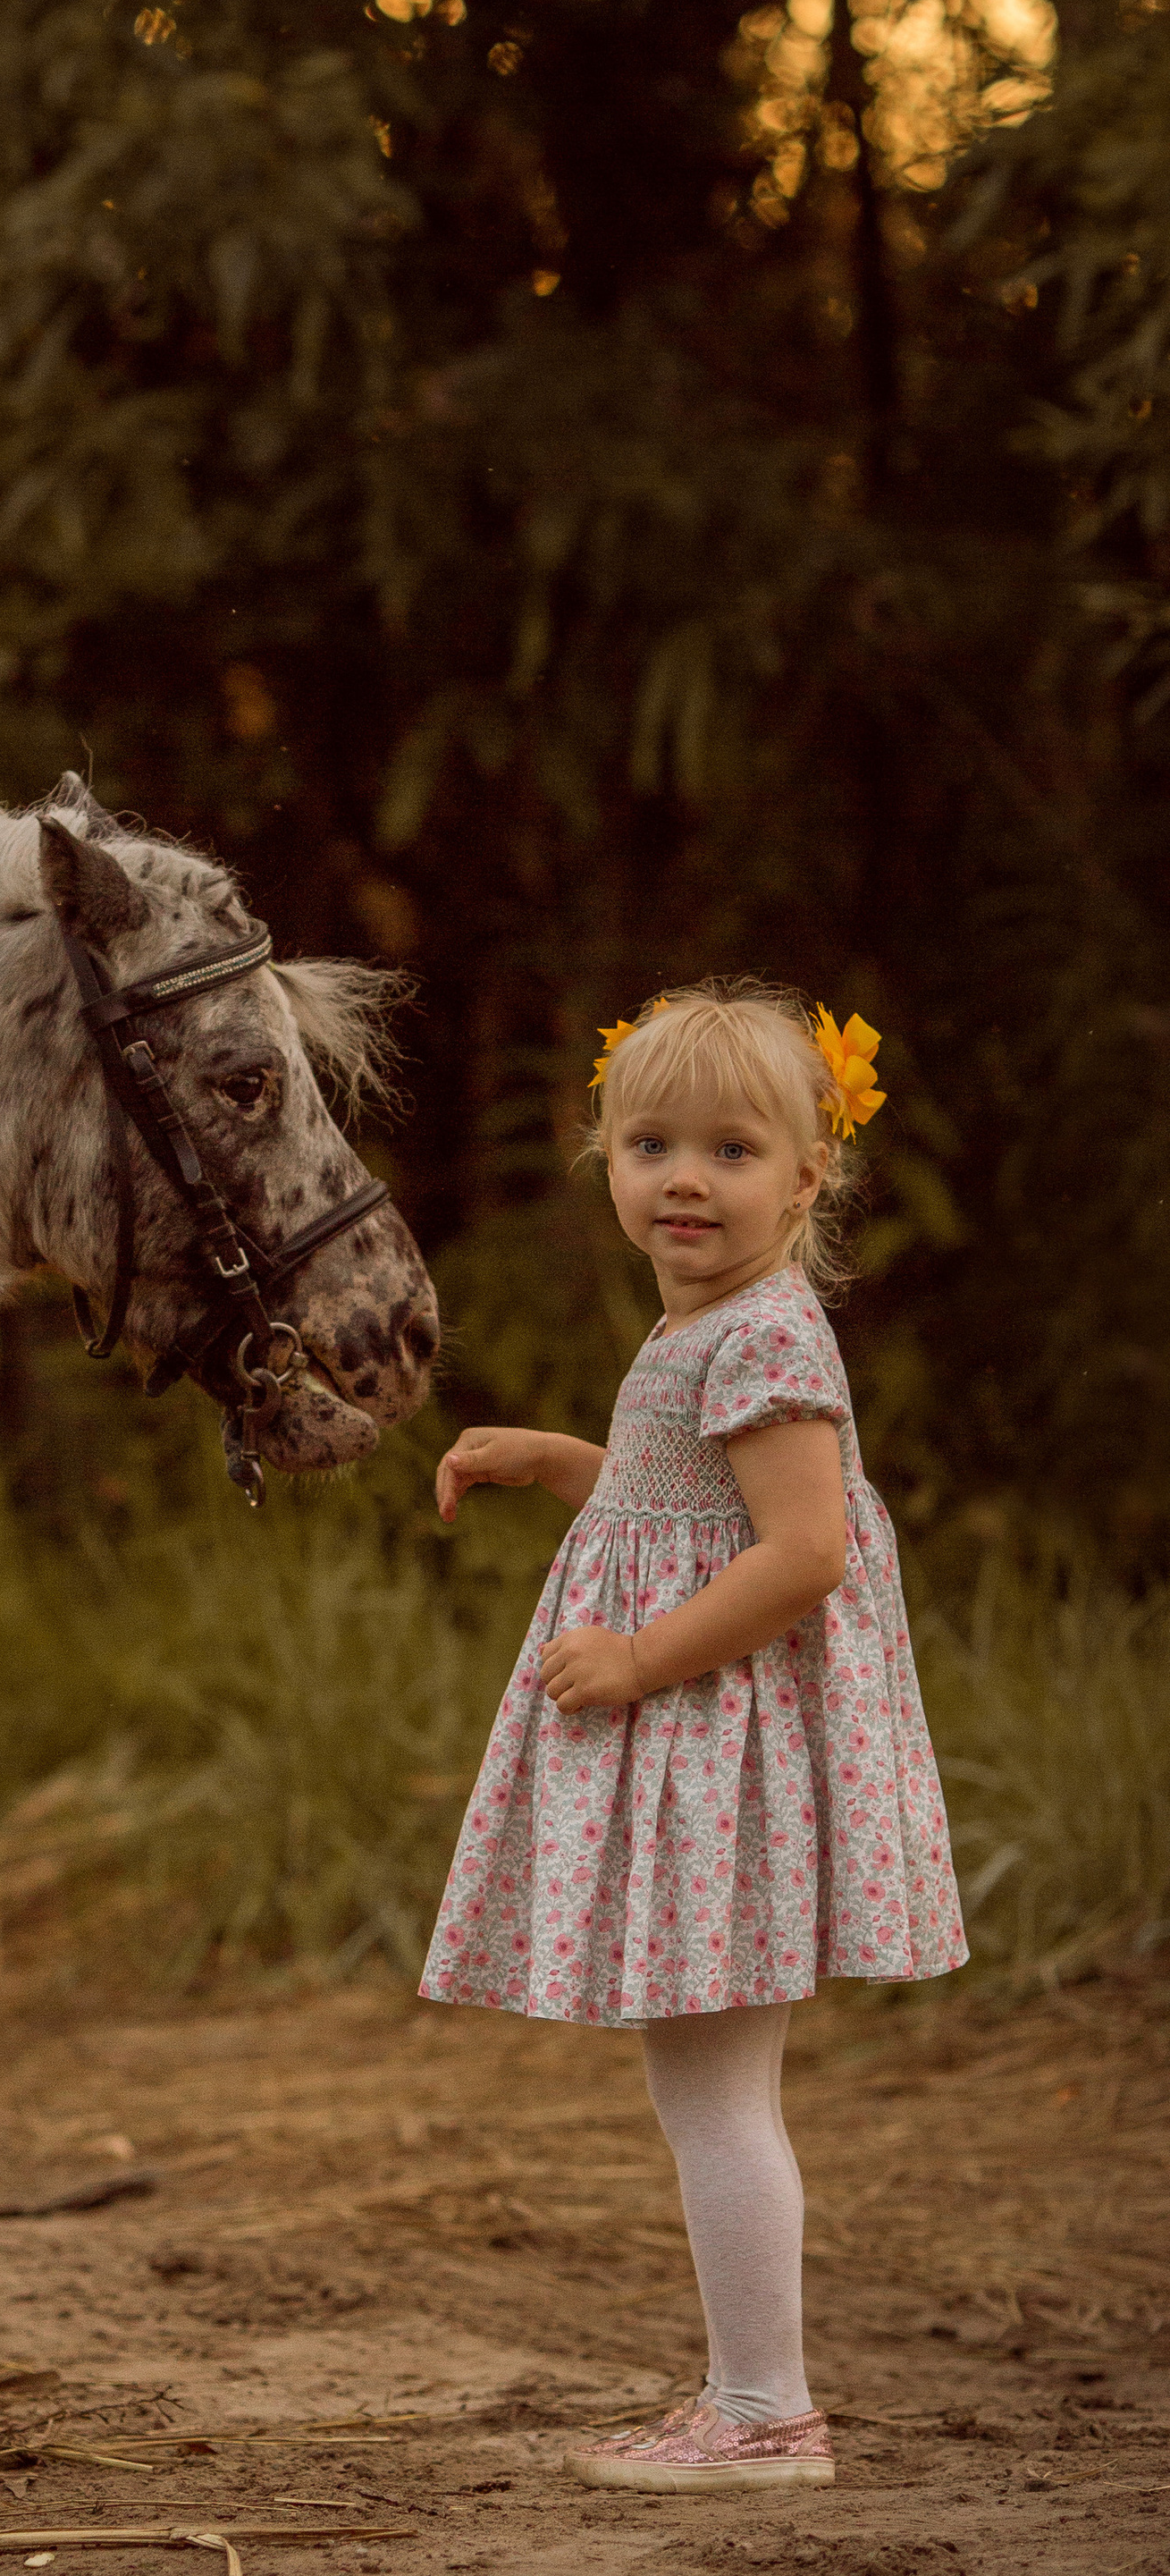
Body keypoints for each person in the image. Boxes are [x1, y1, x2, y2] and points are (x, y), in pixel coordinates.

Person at [419, 982, 965, 2492]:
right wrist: (559, 1463)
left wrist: (644, 1655)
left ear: (808, 1177)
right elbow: (689, 1505)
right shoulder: (717, 1332)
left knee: (717, 2092)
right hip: (714, 1761)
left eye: (732, 1150)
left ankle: (764, 2414)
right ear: (603, 1157)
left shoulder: (766, 1338)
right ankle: (748, 2396)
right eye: (650, 1141)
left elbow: (801, 1554)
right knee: (704, 2087)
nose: (684, 1178)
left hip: (725, 1757)